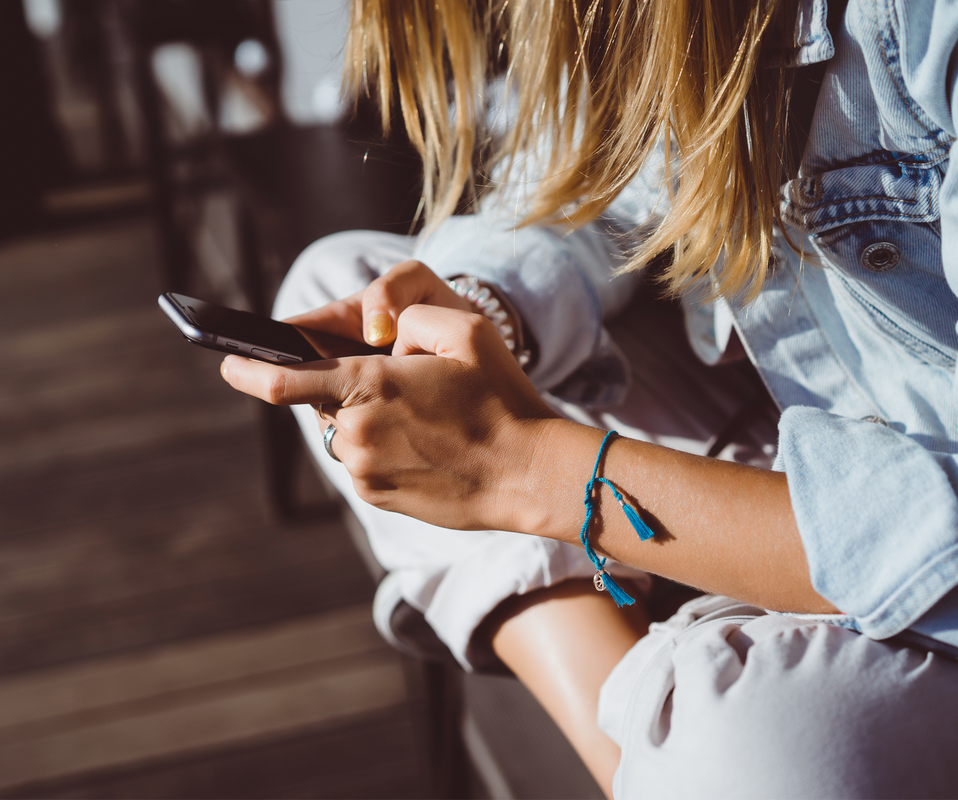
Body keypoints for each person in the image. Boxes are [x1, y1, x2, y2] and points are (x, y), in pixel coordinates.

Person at [222, 0, 958, 797]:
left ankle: (677, 739)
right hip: (802, 439)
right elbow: (600, 189)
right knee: (342, 295)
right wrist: (484, 308)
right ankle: (649, 739)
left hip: (924, 549)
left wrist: (530, 472)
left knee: (766, 752)